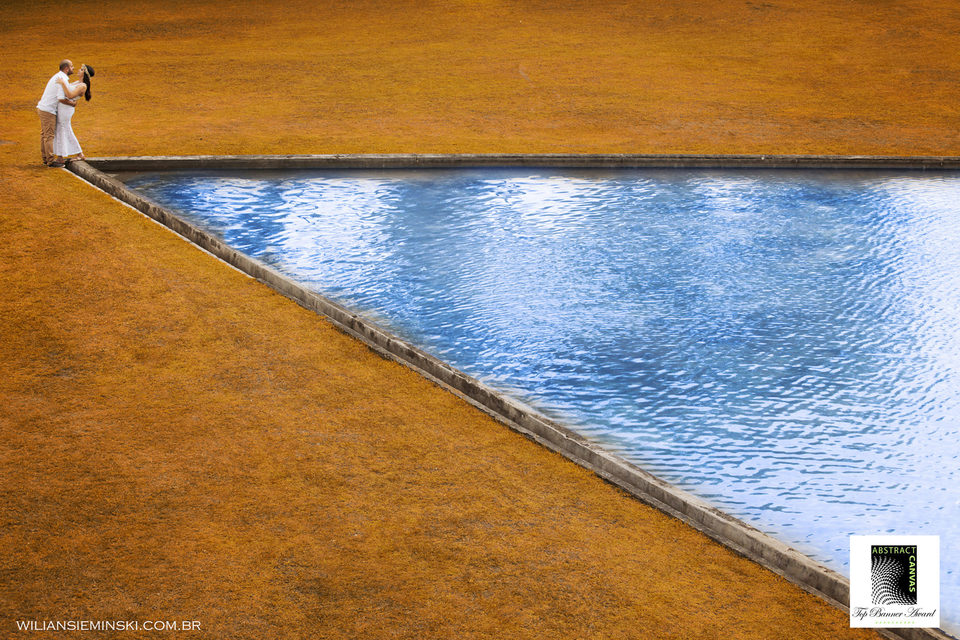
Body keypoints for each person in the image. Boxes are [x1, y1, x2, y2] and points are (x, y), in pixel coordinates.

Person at [36, 60, 76, 167]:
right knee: (49, 135)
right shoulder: (61, 79)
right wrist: (72, 103)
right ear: (66, 69)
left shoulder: (58, 77)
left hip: (44, 108)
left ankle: (45, 158)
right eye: (72, 66)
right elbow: (61, 98)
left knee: (45, 134)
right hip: (48, 110)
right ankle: (50, 160)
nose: (74, 68)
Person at [52, 64, 94, 165]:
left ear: (84, 73)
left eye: (81, 69)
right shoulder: (77, 82)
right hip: (63, 108)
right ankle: (61, 155)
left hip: (66, 109)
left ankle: (78, 154)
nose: (78, 70)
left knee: (65, 129)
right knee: (61, 129)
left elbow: (70, 95)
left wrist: (63, 84)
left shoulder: (83, 86)